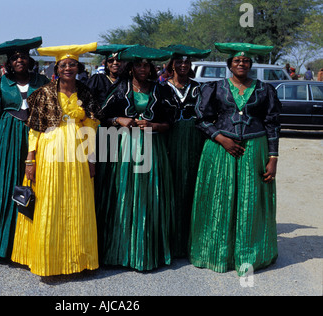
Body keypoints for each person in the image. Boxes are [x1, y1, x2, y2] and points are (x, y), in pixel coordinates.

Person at [190, 43, 282, 276]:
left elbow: (272, 123)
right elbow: (200, 119)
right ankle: (216, 252)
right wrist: (221, 138)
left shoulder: (265, 90)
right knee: (219, 198)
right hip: (221, 150)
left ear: (251, 65)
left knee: (250, 200)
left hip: (255, 148)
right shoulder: (214, 87)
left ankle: (250, 254)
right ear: (229, 65)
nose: (242, 64)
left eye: (246, 61)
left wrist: (273, 157)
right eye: (237, 61)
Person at [11, 42, 101, 276]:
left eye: (72, 64)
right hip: (50, 154)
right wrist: (30, 160)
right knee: (50, 202)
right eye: (64, 65)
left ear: (78, 67)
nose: (68, 68)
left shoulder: (86, 92)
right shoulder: (44, 93)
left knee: (77, 202)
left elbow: (91, 126)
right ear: (57, 69)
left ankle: (76, 260)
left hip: (78, 156)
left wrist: (91, 159)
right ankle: (49, 261)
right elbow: (34, 130)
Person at [0, 37, 50, 259]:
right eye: (15, 58)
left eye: (23, 56)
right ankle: (1, 244)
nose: (19, 60)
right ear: (9, 63)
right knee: (6, 184)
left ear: (29, 60)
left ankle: (32, 242)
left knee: (35, 185)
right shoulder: (1, 83)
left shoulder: (42, 81)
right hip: (7, 138)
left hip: (36, 139)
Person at [95, 45, 175, 271]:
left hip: (153, 145)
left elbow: (171, 122)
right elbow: (101, 115)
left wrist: (153, 125)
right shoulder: (120, 87)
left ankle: (147, 251)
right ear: (130, 68)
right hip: (125, 146)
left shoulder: (161, 90)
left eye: (146, 64)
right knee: (124, 194)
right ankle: (120, 251)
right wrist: (118, 120)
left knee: (150, 195)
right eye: (138, 64)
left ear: (151, 68)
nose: (142, 68)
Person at [159, 44, 211, 258]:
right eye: (178, 62)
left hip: (193, 138)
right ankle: (170, 241)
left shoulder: (199, 88)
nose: (182, 65)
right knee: (169, 185)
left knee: (190, 184)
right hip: (168, 137)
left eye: (186, 62)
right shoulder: (161, 87)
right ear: (171, 65)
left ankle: (190, 240)